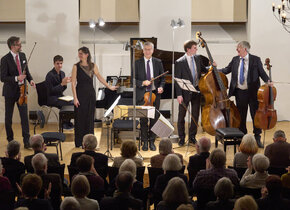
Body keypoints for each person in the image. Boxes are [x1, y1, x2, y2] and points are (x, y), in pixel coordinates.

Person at [219, 41, 269, 148]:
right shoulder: (235, 59)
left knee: (255, 115)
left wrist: (268, 81)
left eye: (238, 48)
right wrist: (214, 69)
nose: (237, 50)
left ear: (245, 49)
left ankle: (257, 137)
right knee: (241, 115)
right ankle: (243, 137)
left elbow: (262, 73)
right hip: (240, 92)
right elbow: (226, 70)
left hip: (253, 92)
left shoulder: (255, 59)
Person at [71, 46, 117, 147]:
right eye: (79, 53)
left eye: (81, 53)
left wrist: (109, 87)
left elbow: (100, 78)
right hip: (80, 94)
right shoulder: (75, 66)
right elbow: (73, 83)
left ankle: (89, 143)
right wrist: (75, 97)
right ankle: (79, 142)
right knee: (80, 119)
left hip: (90, 95)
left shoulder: (93, 66)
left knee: (89, 119)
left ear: (87, 55)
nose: (79, 55)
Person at [0, 36, 36, 149]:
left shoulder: (23, 55)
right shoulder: (5, 59)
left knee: (24, 118)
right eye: (18, 44)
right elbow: (3, 78)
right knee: (8, 118)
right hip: (10, 92)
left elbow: (26, 71)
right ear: (12, 46)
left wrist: (30, 80)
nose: (21, 46)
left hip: (22, 92)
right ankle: (10, 140)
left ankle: (27, 142)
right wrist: (17, 78)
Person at [175, 40, 207, 146]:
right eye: (194, 47)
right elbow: (177, 79)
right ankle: (181, 138)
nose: (196, 49)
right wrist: (179, 95)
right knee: (181, 117)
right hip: (184, 93)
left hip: (196, 91)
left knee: (195, 115)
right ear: (188, 49)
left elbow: (203, 69)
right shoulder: (180, 62)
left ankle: (192, 136)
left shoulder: (197, 58)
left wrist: (211, 67)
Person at [135, 41, 165, 151]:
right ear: (143, 50)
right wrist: (142, 83)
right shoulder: (137, 63)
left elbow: (162, 79)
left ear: (152, 51)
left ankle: (152, 141)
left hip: (154, 95)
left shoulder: (158, 62)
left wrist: (161, 87)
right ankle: (145, 142)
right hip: (142, 95)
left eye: (149, 49)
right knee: (143, 120)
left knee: (154, 119)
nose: (147, 51)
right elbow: (133, 79)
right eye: (145, 49)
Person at [45, 55, 73, 129]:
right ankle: (64, 123)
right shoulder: (49, 75)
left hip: (60, 96)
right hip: (52, 98)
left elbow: (63, 88)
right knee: (68, 103)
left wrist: (66, 83)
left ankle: (67, 122)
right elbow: (50, 91)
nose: (60, 65)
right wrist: (62, 84)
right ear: (54, 64)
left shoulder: (62, 73)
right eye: (57, 63)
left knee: (73, 101)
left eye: (61, 63)